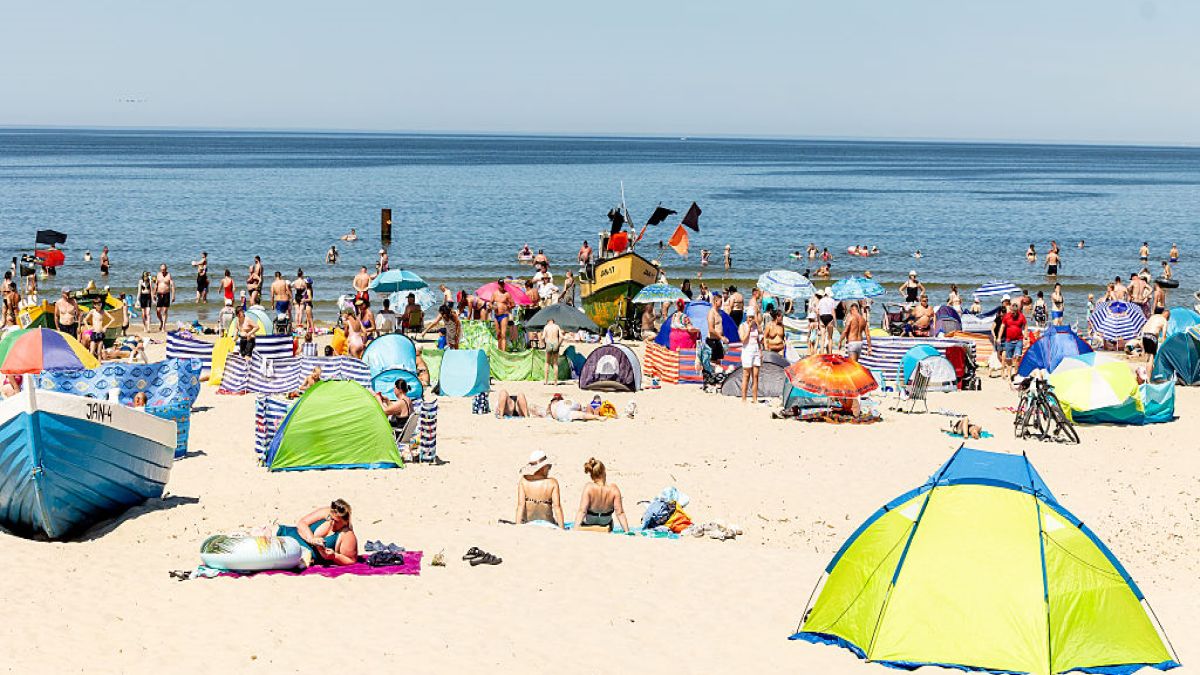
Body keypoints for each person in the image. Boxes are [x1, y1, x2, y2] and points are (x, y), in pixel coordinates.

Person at [277, 500, 358, 566]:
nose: (332, 522)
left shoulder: (347, 535)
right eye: (331, 518)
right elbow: (302, 523)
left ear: (345, 521)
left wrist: (334, 556)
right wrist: (312, 539)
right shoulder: (326, 512)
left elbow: (351, 560)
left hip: (297, 554)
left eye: (336, 521)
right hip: (286, 534)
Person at [574, 458, 629, 533]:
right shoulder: (613, 489)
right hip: (605, 522)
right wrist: (627, 531)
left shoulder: (589, 487)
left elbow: (582, 511)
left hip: (590, 520)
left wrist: (575, 529)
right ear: (604, 472)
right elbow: (620, 513)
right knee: (611, 521)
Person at [516, 451, 564, 527]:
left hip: (528, 523)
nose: (549, 469)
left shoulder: (524, 481)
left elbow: (520, 506)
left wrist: (517, 525)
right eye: (549, 466)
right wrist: (562, 528)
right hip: (548, 523)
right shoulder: (552, 483)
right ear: (543, 467)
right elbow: (557, 507)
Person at [738, 313, 763, 402]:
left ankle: (754, 398)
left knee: (755, 376)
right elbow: (743, 340)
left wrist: (760, 351)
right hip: (747, 351)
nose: (751, 319)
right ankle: (744, 398)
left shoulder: (756, 326)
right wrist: (748, 329)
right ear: (746, 317)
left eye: (752, 317)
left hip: (755, 350)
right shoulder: (743, 326)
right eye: (749, 317)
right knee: (746, 375)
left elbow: (759, 339)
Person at [1000, 300, 1027, 382]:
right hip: (1009, 340)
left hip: (1019, 339)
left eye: (1014, 312)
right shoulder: (1007, 316)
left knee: (1018, 356)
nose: (1013, 313)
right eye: (1012, 312)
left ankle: (1016, 373)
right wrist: (999, 337)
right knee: (1008, 359)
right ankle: (1009, 375)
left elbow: (1025, 326)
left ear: (1017, 311)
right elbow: (1002, 326)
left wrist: (1026, 336)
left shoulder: (1021, 316)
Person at [492, 279, 513, 352]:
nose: (501, 286)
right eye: (500, 284)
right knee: (498, 334)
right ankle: (499, 350)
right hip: (496, 315)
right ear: (498, 285)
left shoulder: (507, 294)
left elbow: (513, 304)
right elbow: (490, 303)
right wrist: (492, 306)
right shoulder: (494, 293)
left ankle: (503, 352)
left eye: (502, 284)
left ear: (504, 285)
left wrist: (507, 307)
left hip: (504, 315)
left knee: (503, 334)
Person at [707, 293, 728, 366]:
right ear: (715, 301)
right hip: (712, 340)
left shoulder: (719, 312)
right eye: (720, 302)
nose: (722, 303)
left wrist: (723, 336)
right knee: (712, 362)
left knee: (719, 360)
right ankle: (711, 376)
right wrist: (721, 337)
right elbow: (711, 329)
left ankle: (718, 376)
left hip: (718, 340)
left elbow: (719, 326)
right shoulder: (711, 313)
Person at [816, 289, 837, 353]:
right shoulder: (832, 300)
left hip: (822, 316)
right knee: (830, 337)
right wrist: (835, 322)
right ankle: (830, 353)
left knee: (823, 337)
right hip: (829, 316)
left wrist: (819, 320)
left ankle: (822, 352)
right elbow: (833, 311)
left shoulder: (821, 300)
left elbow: (817, 311)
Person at [154, 265, 174, 332]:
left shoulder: (169, 275)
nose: (163, 271)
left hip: (166, 294)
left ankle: (163, 327)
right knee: (158, 311)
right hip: (159, 294)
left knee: (165, 311)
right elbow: (156, 284)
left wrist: (173, 295)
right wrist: (154, 293)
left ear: (166, 269)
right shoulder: (158, 275)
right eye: (162, 269)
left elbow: (172, 285)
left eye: (164, 269)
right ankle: (161, 321)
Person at [542, 318, 562, 385]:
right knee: (555, 363)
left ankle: (546, 381)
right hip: (555, 343)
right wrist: (559, 344)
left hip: (549, 343)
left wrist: (542, 341)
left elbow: (543, 337)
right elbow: (561, 336)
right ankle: (555, 382)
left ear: (548, 322)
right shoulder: (557, 326)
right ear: (553, 321)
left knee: (547, 363)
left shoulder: (546, 327)